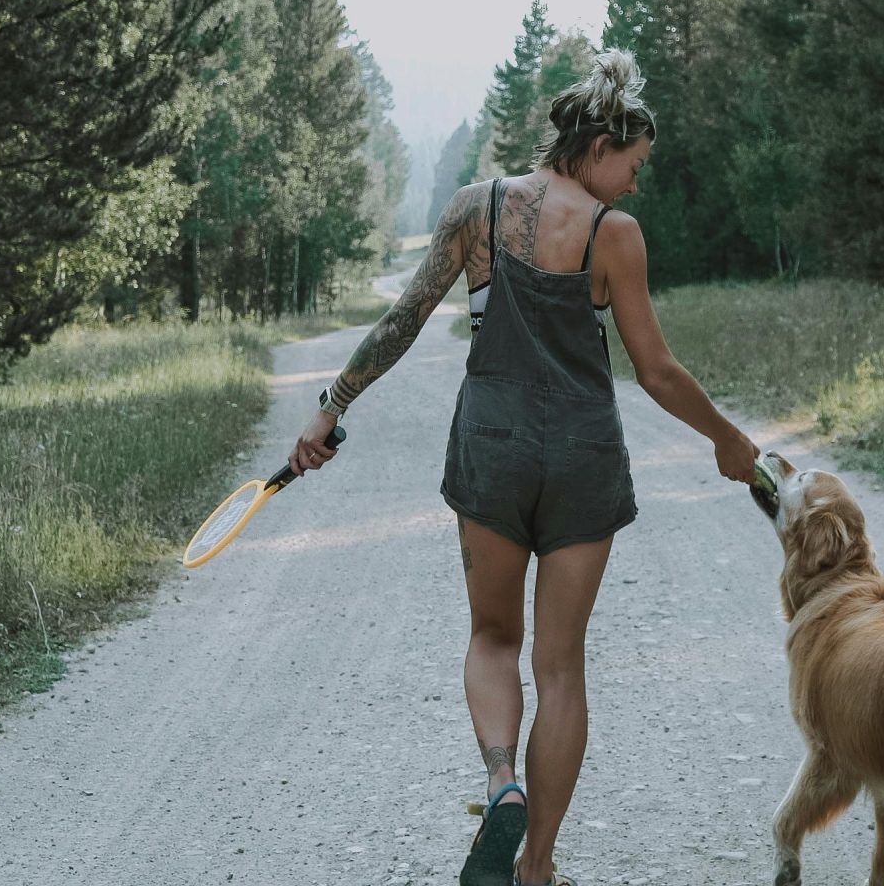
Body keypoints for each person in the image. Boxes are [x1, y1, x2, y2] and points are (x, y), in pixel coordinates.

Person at [289, 50, 758, 886]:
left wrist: (332, 406)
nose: (637, 184)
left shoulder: (479, 208)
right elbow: (655, 370)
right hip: (581, 456)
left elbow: (402, 321)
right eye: (634, 164)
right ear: (601, 144)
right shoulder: (615, 235)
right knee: (561, 666)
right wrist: (727, 438)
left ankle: (501, 784)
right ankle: (536, 868)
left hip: (493, 449)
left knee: (493, 637)